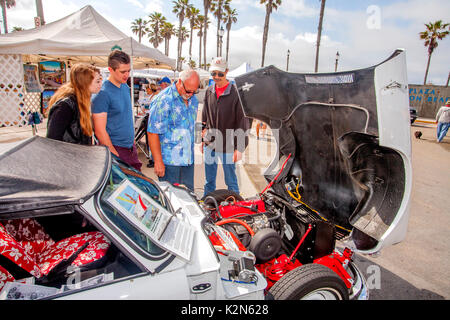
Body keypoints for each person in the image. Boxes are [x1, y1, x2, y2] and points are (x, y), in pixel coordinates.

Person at [202, 57, 250, 197]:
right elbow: (204, 116)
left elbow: (243, 123)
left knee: (231, 182)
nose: (216, 77)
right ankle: (207, 203)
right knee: (208, 181)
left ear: (226, 72)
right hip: (209, 144)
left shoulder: (236, 94)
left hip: (229, 146)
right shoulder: (209, 91)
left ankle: (236, 206)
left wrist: (239, 148)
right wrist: (201, 140)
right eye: (213, 73)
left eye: (220, 74)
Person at [147, 69, 200, 191]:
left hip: (187, 160)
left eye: (194, 91)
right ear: (180, 82)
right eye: (188, 91)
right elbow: (152, 132)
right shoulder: (163, 100)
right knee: (172, 200)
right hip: (169, 162)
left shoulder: (193, 100)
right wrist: (158, 161)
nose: (191, 94)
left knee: (188, 196)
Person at [92, 50, 142, 171]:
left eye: (129, 71)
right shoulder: (102, 93)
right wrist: (115, 156)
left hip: (130, 149)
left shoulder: (125, 86)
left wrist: (133, 142)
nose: (127, 75)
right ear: (111, 70)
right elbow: (100, 131)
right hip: (116, 150)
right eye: (123, 72)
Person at [46, 63, 102, 145]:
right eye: (97, 81)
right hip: (68, 155)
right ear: (85, 82)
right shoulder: (65, 106)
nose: (100, 84)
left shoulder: (82, 101)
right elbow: (52, 140)